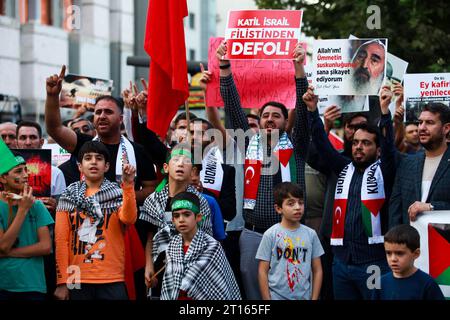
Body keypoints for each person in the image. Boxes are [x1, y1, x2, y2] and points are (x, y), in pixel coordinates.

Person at [218, 41, 309, 299]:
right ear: (259, 121)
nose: (270, 118)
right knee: (254, 296)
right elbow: (234, 109)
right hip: (253, 235)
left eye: (276, 115)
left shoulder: (298, 145)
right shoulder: (249, 142)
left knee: (290, 292)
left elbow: (302, 111)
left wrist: (298, 69)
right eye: (265, 115)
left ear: (285, 122)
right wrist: (225, 66)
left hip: (291, 234)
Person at [303, 85, 396, 300]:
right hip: (341, 262)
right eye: (355, 143)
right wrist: (312, 111)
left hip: (373, 263)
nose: (358, 147)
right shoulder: (343, 167)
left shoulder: (384, 170)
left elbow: (390, 148)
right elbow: (321, 144)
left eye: (366, 143)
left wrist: (385, 113)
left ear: (377, 149)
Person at [44, 65, 157, 207]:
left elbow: (151, 187)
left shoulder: (137, 150)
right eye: (98, 112)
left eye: (108, 112)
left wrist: (122, 197)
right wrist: (52, 96)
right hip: (86, 223)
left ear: (121, 119)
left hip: (126, 223)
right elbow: (54, 129)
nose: (102, 116)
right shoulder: (84, 144)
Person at [54, 141, 137, 300]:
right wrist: (62, 282)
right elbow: (61, 240)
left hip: (112, 277)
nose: (93, 162)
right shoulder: (68, 197)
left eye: (99, 158)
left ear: (106, 166)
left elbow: (129, 218)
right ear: (80, 166)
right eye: (88, 158)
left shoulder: (117, 193)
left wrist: (128, 185)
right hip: (75, 276)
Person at [139, 144, 212, 297]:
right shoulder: (153, 201)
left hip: (191, 270)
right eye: (176, 160)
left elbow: (206, 240)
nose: (180, 164)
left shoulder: (200, 202)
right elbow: (150, 237)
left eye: (186, 160)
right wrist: (149, 264)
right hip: (159, 267)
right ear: (166, 167)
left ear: (193, 171)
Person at [160, 191, 241, 300]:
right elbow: (169, 286)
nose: (181, 220)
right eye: (176, 216)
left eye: (187, 214)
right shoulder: (171, 246)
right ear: (173, 220)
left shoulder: (212, 247)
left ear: (198, 217)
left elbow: (221, 288)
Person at [0, 140, 53, 300]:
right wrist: (22, 210)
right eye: (18, 171)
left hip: (33, 284)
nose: (25, 175)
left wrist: (10, 253)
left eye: (25, 170)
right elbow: (3, 246)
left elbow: (45, 247)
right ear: (3, 178)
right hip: (4, 284)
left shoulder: (36, 205)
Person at [256, 182, 323, 300]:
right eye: (291, 204)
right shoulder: (270, 235)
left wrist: (314, 298)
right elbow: (262, 271)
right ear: (278, 208)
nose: (298, 207)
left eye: (301, 203)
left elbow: (317, 270)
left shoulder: (311, 234)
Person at [390, 102, 450, 226]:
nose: (421, 127)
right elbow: (395, 211)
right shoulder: (407, 164)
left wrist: (432, 207)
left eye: (429, 123)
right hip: (410, 243)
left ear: (446, 128)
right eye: (420, 122)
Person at [371, 224, 445, 300]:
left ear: (416, 253)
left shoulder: (427, 284)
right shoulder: (380, 282)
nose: (393, 259)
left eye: (399, 253)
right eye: (389, 253)